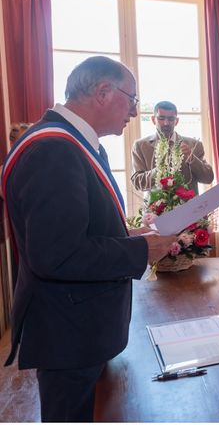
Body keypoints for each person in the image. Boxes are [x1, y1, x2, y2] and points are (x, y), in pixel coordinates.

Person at [1, 56, 175, 422]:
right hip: (69, 331)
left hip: (78, 324)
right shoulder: (53, 149)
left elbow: (73, 230)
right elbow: (58, 255)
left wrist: (127, 234)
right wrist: (142, 249)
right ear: (102, 92)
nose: (134, 111)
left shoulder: (73, 143)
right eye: (132, 99)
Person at [131, 101, 213, 195]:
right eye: (161, 118)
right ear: (153, 120)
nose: (166, 123)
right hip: (155, 208)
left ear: (176, 121)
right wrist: (159, 170)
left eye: (171, 119)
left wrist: (192, 159)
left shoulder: (194, 145)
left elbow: (208, 178)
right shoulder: (140, 146)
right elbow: (137, 183)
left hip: (188, 207)